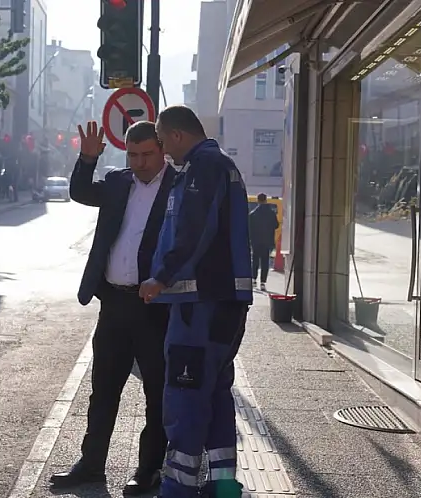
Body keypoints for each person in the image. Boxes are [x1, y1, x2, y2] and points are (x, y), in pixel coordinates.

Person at [51, 120, 174, 495]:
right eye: (132, 155)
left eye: (147, 155)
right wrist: (88, 158)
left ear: (162, 149)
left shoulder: (180, 185)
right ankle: (91, 466)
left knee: (157, 392)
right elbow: (81, 191)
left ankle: (148, 469)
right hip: (115, 303)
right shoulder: (119, 182)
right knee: (103, 389)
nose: (139, 163)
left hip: (155, 307)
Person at [139, 105, 252, 498]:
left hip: (198, 306)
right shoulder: (222, 166)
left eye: (163, 141)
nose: (165, 153)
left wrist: (161, 276)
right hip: (224, 305)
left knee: (185, 397)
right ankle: (223, 485)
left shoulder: (203, 168)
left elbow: (192, 229)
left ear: (176, 135)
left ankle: (178, 488)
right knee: (215, 394)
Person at [249, 193, 279, 291]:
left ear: (258, 200)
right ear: (266, 200)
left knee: (255, 260)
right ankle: (263, 282)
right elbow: (276, 225)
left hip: (255, 241)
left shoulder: (253, 214)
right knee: (265, 262)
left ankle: (253, 280)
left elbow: (249, 228)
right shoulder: (271, 213)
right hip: (267, 242)